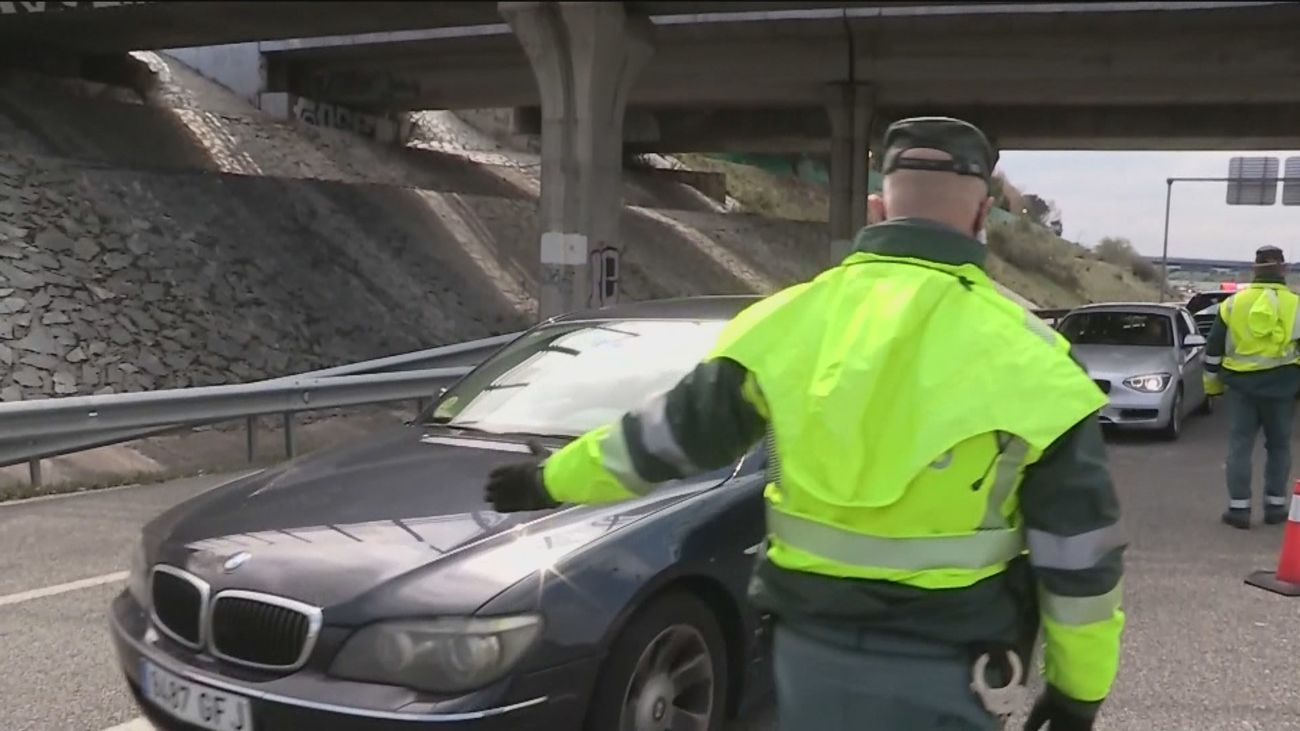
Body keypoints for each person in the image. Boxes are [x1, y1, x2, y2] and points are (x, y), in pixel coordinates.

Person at [484, 117, 1126, 731]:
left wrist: (549, 479)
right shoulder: (1036, 363)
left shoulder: (782, 324)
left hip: (805, 658)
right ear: (984, 219)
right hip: (951, 671)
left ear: (877, 210)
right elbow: (1081, 561)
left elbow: (661, 442)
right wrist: (1077, 693)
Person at [1203, 245, 1300, 530]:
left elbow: (1212, 352)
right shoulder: (1297, 305)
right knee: (1280, 447)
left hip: (1241, 389)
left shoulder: (1233, 304)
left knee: (1240, 447)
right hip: (1282, 389)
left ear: (1254, 270)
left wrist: (1212, 388)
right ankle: (1275, 507)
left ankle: (1239, 510)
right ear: (1283, 269)